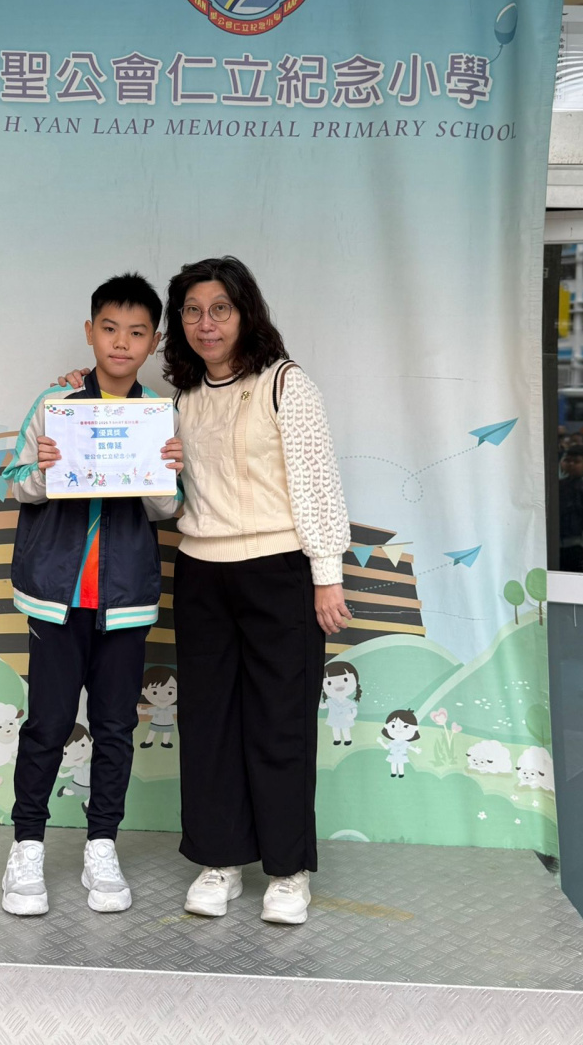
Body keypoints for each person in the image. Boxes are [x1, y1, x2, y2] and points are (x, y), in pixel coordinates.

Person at [166, 256, 351, 927]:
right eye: (192, 311)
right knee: (208, 723)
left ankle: (288, 871)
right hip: (200, 572)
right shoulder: (182, 399)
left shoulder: (285, 384)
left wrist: (326, 574)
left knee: (280, 721)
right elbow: (164, 491)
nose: (206, 323)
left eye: (220, 309)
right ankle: (219, 861)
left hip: (279, 571)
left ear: (246, 313)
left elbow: (317, 480)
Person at [0, 273, 183, 917]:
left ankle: (101, 845)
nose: (121, 342)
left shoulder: (159, 413)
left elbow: (168, 509)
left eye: (137, 332)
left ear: (154, 342)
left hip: (125, 596)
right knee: (48, 724)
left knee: (114, 727)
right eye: (109, 328)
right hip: (57, 597)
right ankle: (26, 846)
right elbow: (15, 483)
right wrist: (44, 470)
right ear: (90, 332)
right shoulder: (57, 402)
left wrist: (166, 471)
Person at [558, 443, 583, 572]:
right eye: (568, 461)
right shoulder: (560, 483)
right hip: (559, 541)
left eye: (576, 461)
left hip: (578, 542)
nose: (571, 464)